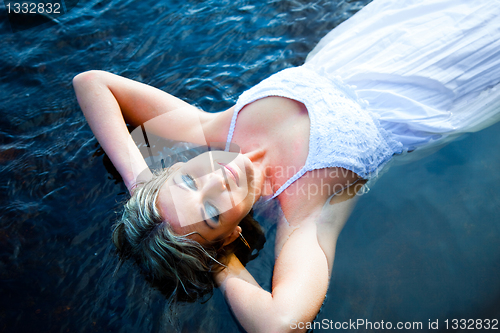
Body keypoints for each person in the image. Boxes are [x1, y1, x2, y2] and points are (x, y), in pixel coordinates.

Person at [73, 0, 500, 332]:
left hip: (380, 37)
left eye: (188, 179)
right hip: (444, 86)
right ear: (232, 234)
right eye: (211, 212)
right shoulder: (305, 212)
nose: (216, 181)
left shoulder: (214, 127)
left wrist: (141, 180)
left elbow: (92, 83)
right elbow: (280, 323)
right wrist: (220, 262)